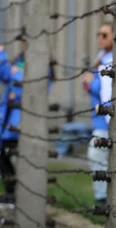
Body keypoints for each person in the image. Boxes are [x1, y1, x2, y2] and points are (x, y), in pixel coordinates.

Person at [0, 42, 54, 205]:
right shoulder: (20, 60)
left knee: (21, 157)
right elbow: (5, 74)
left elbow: (33, 87)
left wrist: (15, 79)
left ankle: (23, 197)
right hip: (9, 116)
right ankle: (13, 194)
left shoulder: (43, 62)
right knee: (4, 155)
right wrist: (2, 57)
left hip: (24, 119)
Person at [82, 22, 115, 206]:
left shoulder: (111, 59)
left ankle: (102, 198)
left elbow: (106, 89)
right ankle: (105, 197)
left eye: (104, 35)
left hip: (106, 119)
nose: (100, 39)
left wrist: (89, 83)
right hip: (99, 118)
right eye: (98, 34)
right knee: (101, 156)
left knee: (96, 153)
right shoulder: (101, 57)